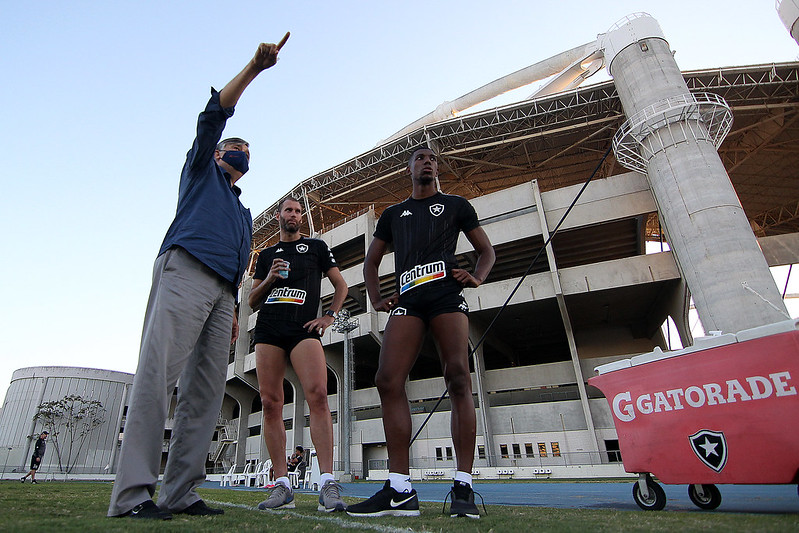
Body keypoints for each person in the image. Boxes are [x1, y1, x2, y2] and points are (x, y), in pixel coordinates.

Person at [107, 33, 290, 521]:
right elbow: (213, 116)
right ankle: (131, 497)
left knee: (206, 394)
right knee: (158, 378)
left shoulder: (245, 212)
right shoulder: (200, 172)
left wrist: (232, 310)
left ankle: (181, 492)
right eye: (236, 145)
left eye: (248, 148)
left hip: (221, 296)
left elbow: (240, 265)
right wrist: (254, 68)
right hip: (185, 268)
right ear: (216, 153)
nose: (242, 150)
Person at [347, 146, 495, 519]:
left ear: (437, 167)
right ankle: (400, 488)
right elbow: (371, 260)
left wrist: (476, 276)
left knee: (458, 376)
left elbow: (487, 251)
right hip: (409, 301)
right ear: (408, 169)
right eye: (419, 158)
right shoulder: (393, 214)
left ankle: (463, 486)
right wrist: (376, 298)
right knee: (386, 378)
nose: (426, 161)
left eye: (432, 158)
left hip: (446, 296)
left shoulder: (457, 204)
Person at [249, 197, 349, 512]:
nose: (293, 214)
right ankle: (282, 485)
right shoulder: (265, 256)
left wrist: (330, 315)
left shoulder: (317, 248)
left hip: (303, 328)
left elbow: (341, 285)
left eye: (297, 211)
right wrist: (270, 279)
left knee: (318, 394)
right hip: (269, 330)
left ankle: (328, 483)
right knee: (270, 402)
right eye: (288, 210)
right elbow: (252, 300)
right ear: (278, 216)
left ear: (301, 218)